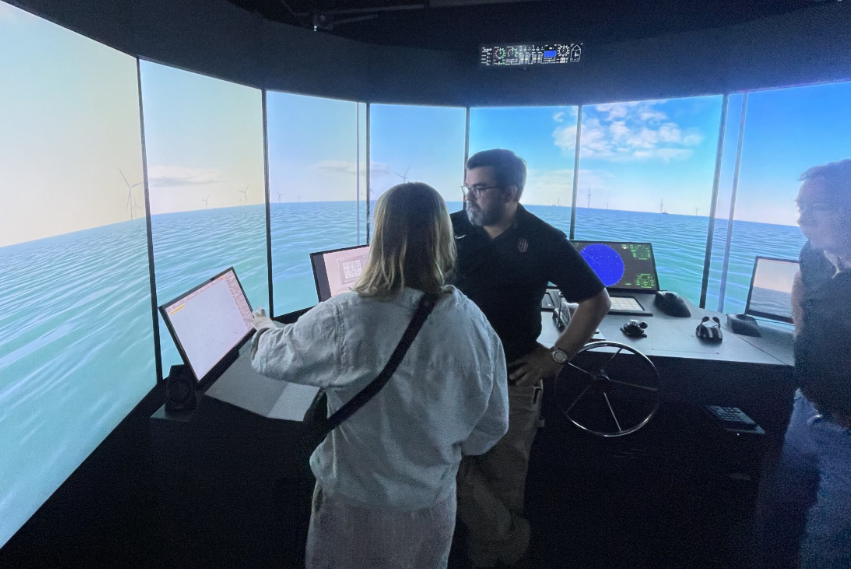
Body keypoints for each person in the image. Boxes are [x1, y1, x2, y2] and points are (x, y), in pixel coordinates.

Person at [248, 182, 510, 569]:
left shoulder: (346, 315)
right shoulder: (473, 323)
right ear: (443, 237)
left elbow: (270, 358)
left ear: (380, 236)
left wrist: (264, 327)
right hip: (432, 507)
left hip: (352, 508)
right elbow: (492, 426)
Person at [451, 149, 611, 568]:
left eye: (479, 189)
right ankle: (508, 540)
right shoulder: (447, 229)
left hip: (513, 379)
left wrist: (556, 356)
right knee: (444, 468)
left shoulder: (543, 239)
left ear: (511, 192)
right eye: (467, 188)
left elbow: (596, 301)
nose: (469, 197)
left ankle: (497, 554)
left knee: (503, 483)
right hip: (449, 377)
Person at [754, 158, 851, 569]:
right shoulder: (814, 254)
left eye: (818, 207)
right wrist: (803, 342)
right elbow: (801, 284)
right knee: (781, 517)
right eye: (799, 207)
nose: (803, 219)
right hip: (806, 407)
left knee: (826, 545)